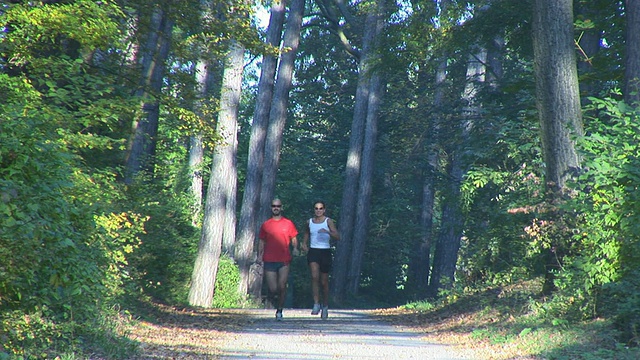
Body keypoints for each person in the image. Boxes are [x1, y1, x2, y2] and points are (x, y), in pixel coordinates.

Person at [257, 198, 299, 321]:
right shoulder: (266, 225)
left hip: (284, 258)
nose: (276, 208)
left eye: (278, 206)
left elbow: (294, 238)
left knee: (282, 285)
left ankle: (279, 310)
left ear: (281, 207)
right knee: (273, 288)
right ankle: (274, 300)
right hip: (269, 258)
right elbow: (261, 241)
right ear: (271, 207)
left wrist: (295, 248)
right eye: (273, 206)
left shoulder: (288, 223)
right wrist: (259, 255)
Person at [301, 200, 340, 319]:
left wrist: (327, 232)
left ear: (324, 210)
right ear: (314, 210)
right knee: (314, 276)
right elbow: (307, 234)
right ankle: (316, 303)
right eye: (316, 208)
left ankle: (325, 306)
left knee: (324, 281)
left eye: (320, 208)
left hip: (325, 251)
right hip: (314, 251)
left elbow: (338, 236)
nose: (318, 211)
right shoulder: (309, 222)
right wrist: (304, 244)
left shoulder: (328, 221)